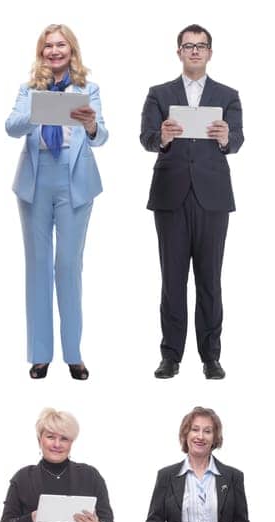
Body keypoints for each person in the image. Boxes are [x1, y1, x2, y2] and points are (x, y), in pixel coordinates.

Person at [5, 25, 106, 379]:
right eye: (48, 46)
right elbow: (11, 126)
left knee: (67, 266)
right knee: (37, 266)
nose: (54, 51)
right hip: (36, 179)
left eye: (61, 45)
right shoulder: (29, 89)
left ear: (71, 50)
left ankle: (74, 354)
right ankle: (40, 354)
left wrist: (92, 124)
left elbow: (100, 137)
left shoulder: (88, 89)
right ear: (41, 51)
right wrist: (38, 110)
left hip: (74, 178)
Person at [141, 27, 243, 380]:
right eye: (189, 46)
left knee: (209, 279)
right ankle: (171, 355)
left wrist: (228, 137)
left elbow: (239, 139)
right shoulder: (159, 94)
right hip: (171, 195)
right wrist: (163, 138)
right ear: (179, 52)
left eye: (201, 46)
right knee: (172, 279)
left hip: (212, 197)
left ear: (210, 52)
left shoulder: (228, 95)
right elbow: (146, 138)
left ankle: (210, 356)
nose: (195, 51)